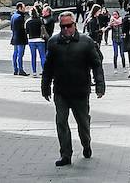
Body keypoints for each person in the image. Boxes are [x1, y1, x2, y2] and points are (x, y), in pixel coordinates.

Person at [41, 11, 105, 167]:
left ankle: (86, 144)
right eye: (63, 26)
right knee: (61, 121)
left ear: (74, 25)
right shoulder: (53, 42)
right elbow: (48, 67)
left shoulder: (86, 42)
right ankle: (66, 154)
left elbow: (97, 64)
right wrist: (45, 86)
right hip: (61, 90)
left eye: (68, 26)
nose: (65, 29)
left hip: (80, 90)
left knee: (83, 123)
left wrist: (100, 85)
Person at [26, 6, 47, 76]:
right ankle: (44, 71)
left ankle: (34, 72)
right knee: (42, 56)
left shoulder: (28, 21)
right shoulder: (40, 20)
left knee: (33, 56)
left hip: (31, 40)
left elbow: (27, 32)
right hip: (40, 40)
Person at [10, 1, 29, 75]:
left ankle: (15, 69)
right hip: (20, 38)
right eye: (23, 8)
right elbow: (22, 29)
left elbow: (12, 27)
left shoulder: (13, 16)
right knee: (20, 54)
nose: (25, 9)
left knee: (15, 53)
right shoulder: (20, 17)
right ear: (20, 8)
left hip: (15, 37)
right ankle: (20, 69)